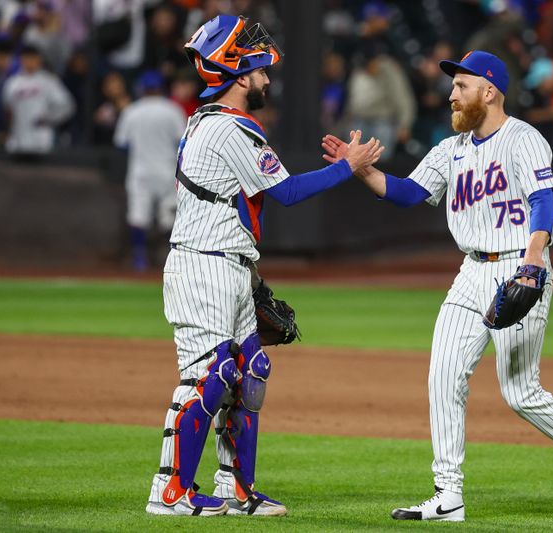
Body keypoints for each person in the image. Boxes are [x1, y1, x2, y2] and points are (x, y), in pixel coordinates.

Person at [322, 50, 553, 522]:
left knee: (519, 391)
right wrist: (359, 171)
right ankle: (448, 495)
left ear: (489, 90)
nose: (452, 95)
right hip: (471, 272)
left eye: (461, 86)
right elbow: (408, 193)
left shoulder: (524, 139)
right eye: (453, 86)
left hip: (521, 267)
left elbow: (543, 205)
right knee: (443, 375)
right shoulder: (450, 149)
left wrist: (534, 262)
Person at [145, 14, 383, 517]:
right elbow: (288, 192)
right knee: (207, 378)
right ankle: (170, 492)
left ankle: (235, 487)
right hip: (202, 264)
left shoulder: (221, 123)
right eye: (259, 71)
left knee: (249, 371)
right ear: (237, 74)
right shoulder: (228, 128)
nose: (267, 80)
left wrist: (250, 277)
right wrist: (348, 166)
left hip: (229, 264)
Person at [113, 70, 186, 271]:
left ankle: (140, 257)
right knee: (168, 217)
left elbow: (121, 144)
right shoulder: (172, 109)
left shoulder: (132, 111)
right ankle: (168, 256)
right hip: (167, 171)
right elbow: (183, 142)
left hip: (141, 172)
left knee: (138, 216)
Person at [1, 44, 74, 158]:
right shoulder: (12, 83)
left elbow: (67, 105)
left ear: (39, 59)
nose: (29, 62)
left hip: (41, 141)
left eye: (32, 58)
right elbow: (7, 109)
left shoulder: (48, 80)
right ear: (21, 60)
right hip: (17, 141)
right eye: (26, 58)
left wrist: (48, 118)